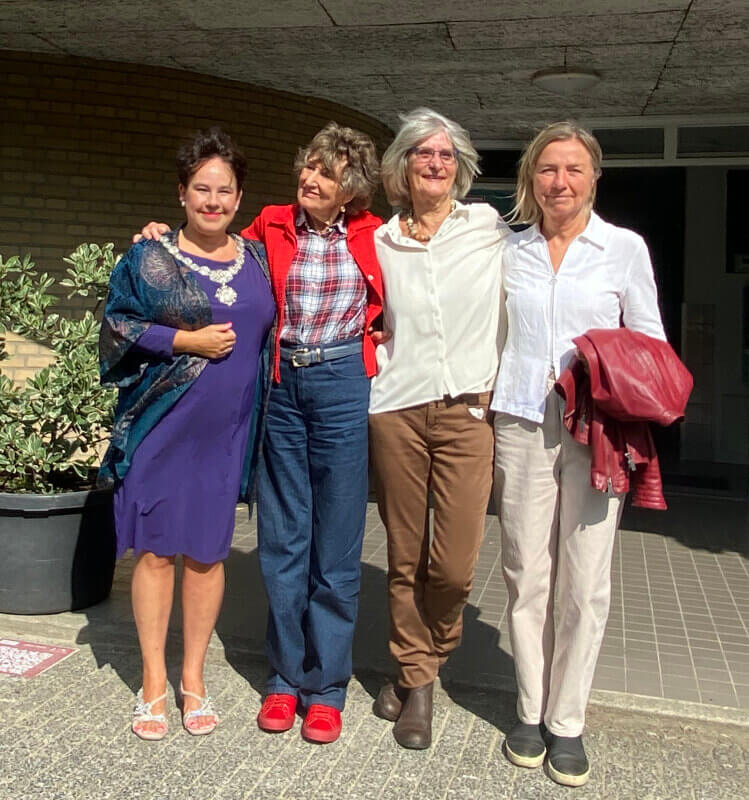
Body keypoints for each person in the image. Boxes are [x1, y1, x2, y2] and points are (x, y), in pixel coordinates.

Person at [137, 122, 382, 744]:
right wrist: (157, 238)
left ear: (350, 186)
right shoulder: (269, 226)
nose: (310, 178)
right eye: (308, 167)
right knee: (283, 539)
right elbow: (207, 246)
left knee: (337, 541)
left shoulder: (378, 236)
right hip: (282, 388)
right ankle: (283, 679)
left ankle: (326, 688)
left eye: (326, 172)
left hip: (342, 383)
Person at [490, 121, 666, 787]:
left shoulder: (622, 249)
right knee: (523, 572)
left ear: (593, 177)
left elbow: (649, 341)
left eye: (572, 169)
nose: (559, 182)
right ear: (529, 179)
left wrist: (602, 366)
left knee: (585, 580)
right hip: (520, 420)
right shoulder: (512, 252)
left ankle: (568, 721)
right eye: (546, 170)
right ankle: (529, 711)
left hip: (597, 431)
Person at [99, 128, 275, 740]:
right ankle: (152, 683)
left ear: (239, 196)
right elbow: (118, 322)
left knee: (206, 555)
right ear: (181, 194)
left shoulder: (256, 258)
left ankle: (193, 680)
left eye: (224, 189)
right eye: (201, 188)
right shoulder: (149, 257)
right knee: (155, 552)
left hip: (228, 434)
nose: (213, 199)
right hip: (161, 427)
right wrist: (183, 340)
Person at [368, 108, 508, 749]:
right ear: (402, 165)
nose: (435, 163)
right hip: (396, 407)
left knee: (451, 566)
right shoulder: (378, 241)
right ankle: (417, 684)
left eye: (447, 155)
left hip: (467, 412)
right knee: (404, 553)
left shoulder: (488, 229)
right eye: (423, 153)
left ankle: (423, 658)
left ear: (462, 168)